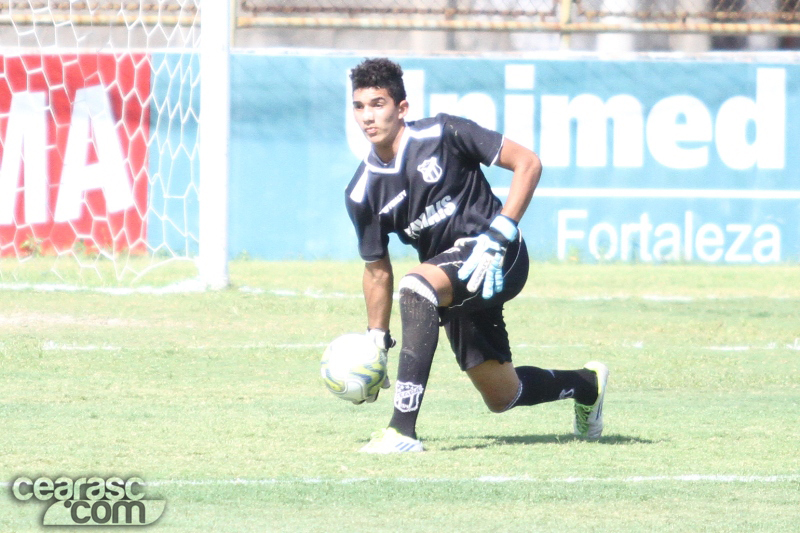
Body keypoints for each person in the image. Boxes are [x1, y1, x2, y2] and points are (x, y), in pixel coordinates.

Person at [345, 58, 608, 453]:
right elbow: (377, 271)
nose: (368, 116)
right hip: (452, 281)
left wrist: (500, 233)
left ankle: (401, 431)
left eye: (378, 103)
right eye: (360, 106)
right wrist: (377, 340)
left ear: (402, 109)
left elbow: (528, 163)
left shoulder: (445, 132)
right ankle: (588, 385)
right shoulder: (362, 192)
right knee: (503, 396)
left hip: (500, 256)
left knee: (416, 287)